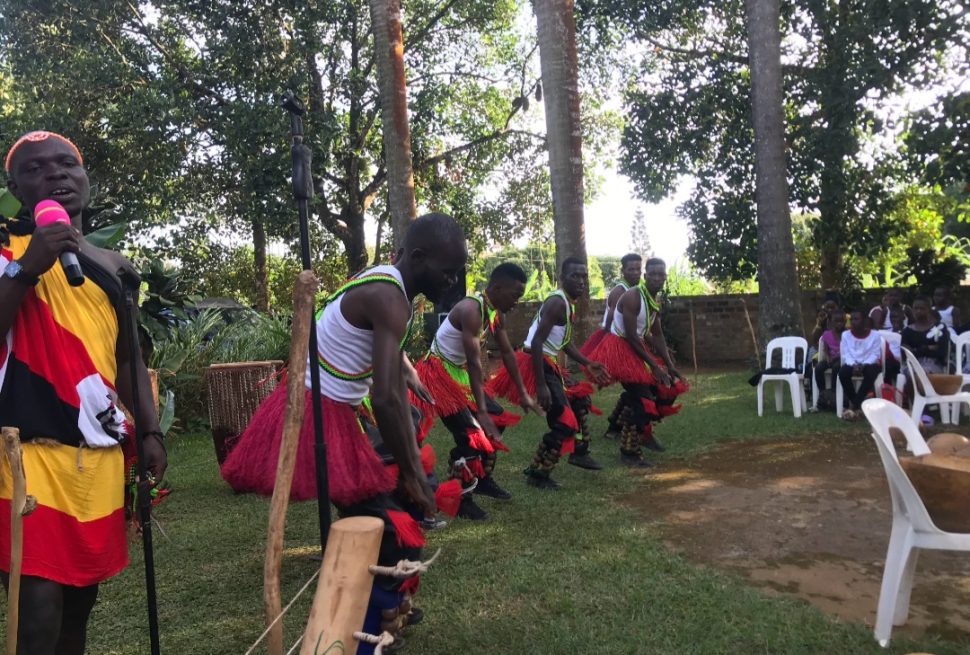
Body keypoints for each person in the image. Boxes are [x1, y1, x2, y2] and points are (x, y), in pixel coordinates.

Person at [222, 213, 467, 653]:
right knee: (386, 521)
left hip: (334, 409)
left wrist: (408, 374)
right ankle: (371, 629)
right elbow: (387, 400)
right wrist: (409, 470)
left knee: (401, 499)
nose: (453, 280)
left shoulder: (388, 283)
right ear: (416, 257)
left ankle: (394, 602)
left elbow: (375, 354)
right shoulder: (390, 298)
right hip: (317, 416)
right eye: (447, 270)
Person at [0, 131, 167, 654]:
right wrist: (29, 268)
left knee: (78, 607)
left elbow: (128, 360)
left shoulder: (114, 266)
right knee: (37, 608)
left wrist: (152, 431)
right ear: (15, 186)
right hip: (23, 454)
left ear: (86, 177)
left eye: (67, 163)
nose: (55, 174)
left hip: (97, 457)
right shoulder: (6, 250)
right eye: (35, 168)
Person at [412, 263, 541, 521]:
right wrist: (480, 411)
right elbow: (473, 360)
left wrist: (524, 393)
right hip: (438, 376)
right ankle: (461, 498)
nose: (516, 302)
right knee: (471, 435)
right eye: (515, 295)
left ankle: (482, 479)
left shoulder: (495, 314)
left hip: (457, 374)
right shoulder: (471, 310)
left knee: (497, 419)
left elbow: (507, 352)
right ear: (496, 288)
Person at [487, 257, 609, 490]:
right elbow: (536, 342)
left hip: (548, 362)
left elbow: (563, 342)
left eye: (584, 276)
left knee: (581, 399)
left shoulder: (566, 302)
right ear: (562, 278)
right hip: (539, 363)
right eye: (575, 276)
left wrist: (587, 362)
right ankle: (538, 474)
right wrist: (542, 386)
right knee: (564, 423)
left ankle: (578, 452)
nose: (582, 281)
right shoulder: (557, 303)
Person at [588, 258, 688, 466]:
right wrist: (655, 366)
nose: (658, 278)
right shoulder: (633, 296)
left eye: (661, 274)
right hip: (620, 350)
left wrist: (669, 366)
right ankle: (629, 452)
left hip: (635, 349)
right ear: (646, 276)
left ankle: (637, 431)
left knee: (667, 389)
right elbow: (632, 337)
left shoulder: (653, 300)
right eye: (653, 274)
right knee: (643, 400)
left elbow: (657, 335)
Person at [581, 253, 642, 439]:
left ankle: (615, 426)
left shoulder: (636, 290)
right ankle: (617, 428)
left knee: (636, 387)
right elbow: (612, 322)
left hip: (628, 342)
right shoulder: (620, 290)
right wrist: (606, 352)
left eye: (638, 269)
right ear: (622, 270)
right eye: (631, 269)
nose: (635, 272)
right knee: (637, 388)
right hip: (617, 343)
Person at [838, 309, 883, 420]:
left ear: (864, 321)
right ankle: (857, 404)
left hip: (869, 363)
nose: (853, 322)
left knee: (871, 373)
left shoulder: (875, 335)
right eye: (851, 319)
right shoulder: (846, 335)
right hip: (852, 362)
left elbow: (875, 354)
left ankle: (855, 405)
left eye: (856, 319)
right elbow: (846, 354)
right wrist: (853, 365)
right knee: (843, 373)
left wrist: (864, 365)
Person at [902, 295, 950, 374]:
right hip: (912, 365)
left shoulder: (940, 328)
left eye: (922, 308)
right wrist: (928, 347)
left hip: (935, 365)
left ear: (929, 310)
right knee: (917, 373)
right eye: (916, 308)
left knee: (924, 372)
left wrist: (916, 350)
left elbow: (942, 352)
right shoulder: (907, 331)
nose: (918, 311)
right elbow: (906, 354)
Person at [815, 311, 845, 396]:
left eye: (841, 321)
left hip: (842, 360)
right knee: (818, 367)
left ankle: (833, 392)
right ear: (831, 322)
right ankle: (822, 393)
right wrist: (828, 358)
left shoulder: (846, 334)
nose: (839, 324)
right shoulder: (827, 334)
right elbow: (825, 348)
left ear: (844, 322)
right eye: (836, 321)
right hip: (831, 359)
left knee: (836, 367)